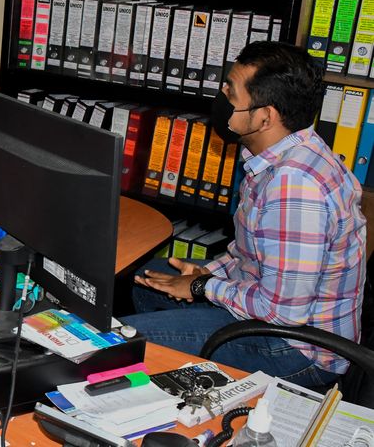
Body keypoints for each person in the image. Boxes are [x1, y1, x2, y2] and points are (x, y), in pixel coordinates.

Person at [122, 42, 367, 388]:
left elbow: (283, 312)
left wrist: (202, 286)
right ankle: (178, 379)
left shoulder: (295, 188)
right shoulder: (282, 153)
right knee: (147, 281)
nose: (221, 95)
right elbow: (251, 254)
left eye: (231, 91)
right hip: (272, 306)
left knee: (126, 340)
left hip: (298, 350)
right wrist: (210, 273)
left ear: (265, 116)